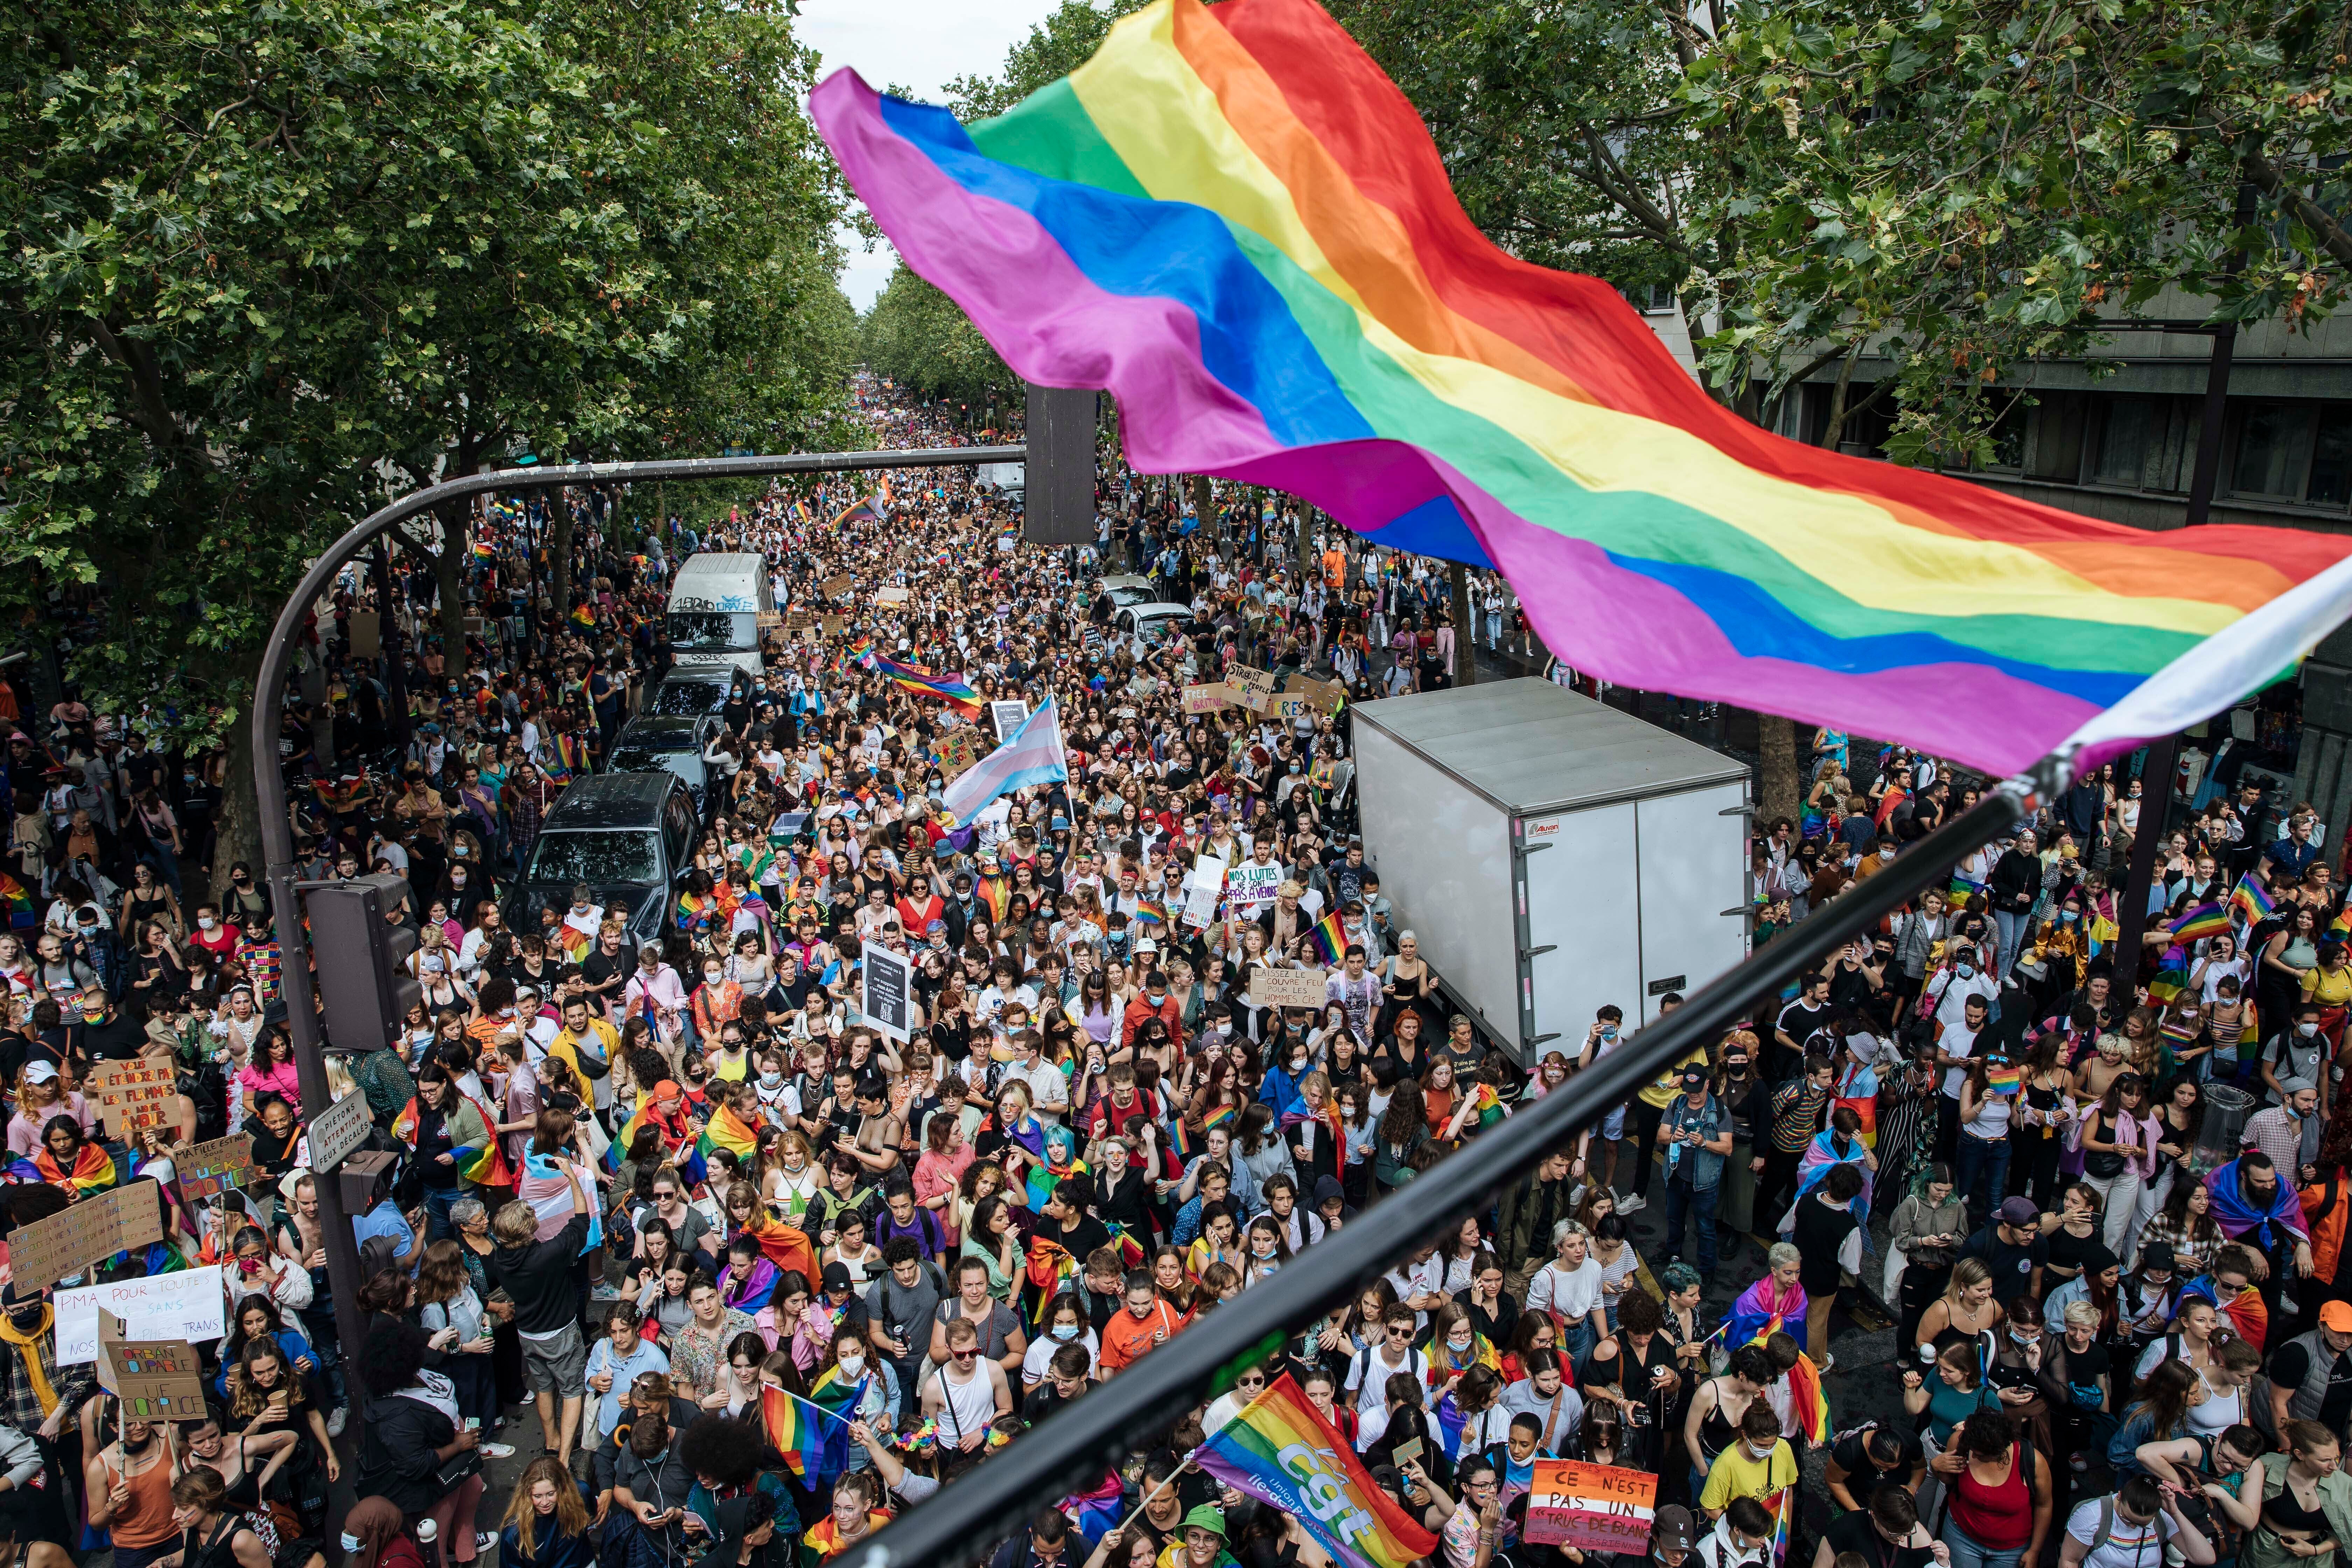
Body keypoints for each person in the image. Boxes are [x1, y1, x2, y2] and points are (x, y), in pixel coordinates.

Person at [352, 1322, 491, 1567]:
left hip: (450, 1461)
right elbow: (415, 1465)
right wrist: (458, 1446)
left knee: (474, 1487)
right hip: (426, 1486)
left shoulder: (407, 1374)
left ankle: (463, 1549)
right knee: (433, 1544)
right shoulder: (395, 1417)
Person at [497, 1456, 597, 1568]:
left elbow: (591, 1517)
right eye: (538, 1496)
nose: (545, 1503)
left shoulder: (581, 1494)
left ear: (561, 1488)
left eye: (550, 1494)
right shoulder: (514, 1532)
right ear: (527, 1494)